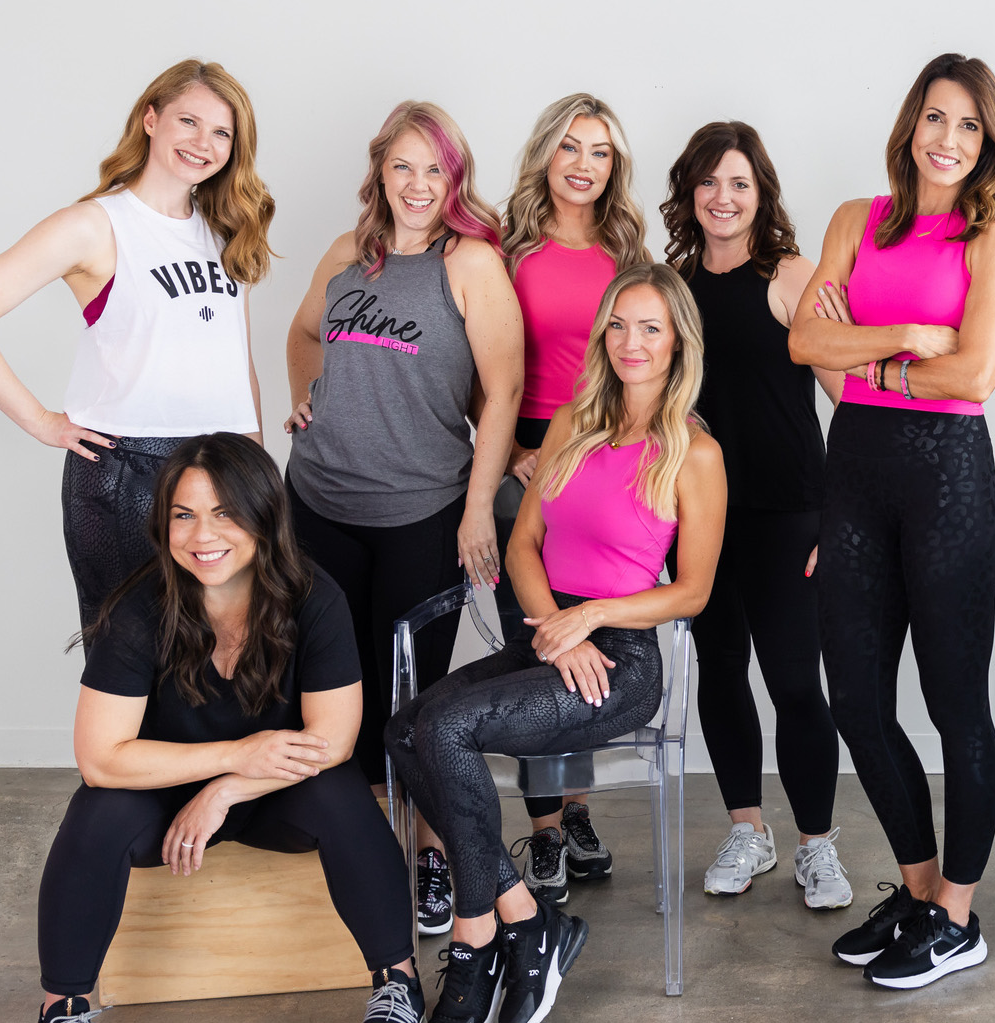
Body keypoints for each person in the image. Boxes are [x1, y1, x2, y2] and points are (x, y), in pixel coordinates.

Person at [385, 263, 724, 1023]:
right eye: (619, 324)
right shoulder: (572, 421)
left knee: (445, 725)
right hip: (550, 634)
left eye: (651, 328)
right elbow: (524, 547)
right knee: (406, 727)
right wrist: (554, 630)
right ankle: (529, 920)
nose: (631, 342)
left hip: (623, 658)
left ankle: (474, 947)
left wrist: (593, 618)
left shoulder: (695, 454)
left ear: (677, 344)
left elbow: (693, 590)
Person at [35, 434, 419, 1023]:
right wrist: (238, 754)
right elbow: (102, 758)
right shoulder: (140, 609)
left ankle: (398, 982)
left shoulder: (313, 597)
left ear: (264, 515)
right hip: (162, 802)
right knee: (98, 809)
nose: (202, 536)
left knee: (341, 791)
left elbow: (333, 740)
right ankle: (64, 1003)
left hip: (277, 792)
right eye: (182, 515)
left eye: (224, 513)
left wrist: (228, 787)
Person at [787, 53, 995, 989]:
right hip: (857, 477)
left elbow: (973, 375)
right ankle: (921, 890)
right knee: (854, 699)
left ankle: (958, 916)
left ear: (988, 140)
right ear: (910, 124)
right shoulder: (858, 219)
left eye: (969, 125)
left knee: (956, 705)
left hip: (950, 483)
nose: (949, 140)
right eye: (936, 118)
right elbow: (807, 340)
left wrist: (871, 364)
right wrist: (903, 338)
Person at [281, 100, 524, 935]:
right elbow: (302, 332)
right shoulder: (349, 255)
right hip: (316, 506)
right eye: (403, 166)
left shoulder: (472, 263)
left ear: (453, 179)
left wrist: (476, 509)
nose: (417, 185)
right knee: (326, 692)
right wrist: (301, 395)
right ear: (379, 169)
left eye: (435, 170)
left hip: (423, 512)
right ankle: (354, 852)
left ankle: (428, 853)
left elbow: (505, 393)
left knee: (409, 707)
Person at [0, 60, 274, 628]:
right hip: (130, 471)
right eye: (188, 121)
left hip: (222, 467)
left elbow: (237, 361)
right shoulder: (96, 224)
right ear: (150, 119)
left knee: (220, 656)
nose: (203, 143)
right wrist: (42, 421)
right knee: (129, 655)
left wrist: (255, 462)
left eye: (221, 132)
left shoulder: (225, 230)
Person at [661, 120, 854, 908]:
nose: (723, 197)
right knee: (720, 674)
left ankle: (816, 842)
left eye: (738, 182)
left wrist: (842, 515)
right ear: (690, 192)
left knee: (795, 683)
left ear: (760, 192)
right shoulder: (670, 284)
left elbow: (856, 399)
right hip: (699, 514)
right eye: (709, 182)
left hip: (789, 512)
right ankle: (749, 828)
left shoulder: (791, 275)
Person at [494, 92, 649, 905]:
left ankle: (578, 812)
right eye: (570, 148)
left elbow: (645, 359)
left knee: (594, 628)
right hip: (527, 455)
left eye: (599, 151)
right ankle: (545, 825)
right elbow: (478, 366)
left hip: (606, 457)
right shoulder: (506, 251)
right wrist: (516, 450)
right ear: (546, 157)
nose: (584, 165)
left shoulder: (628, 252)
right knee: (539, 640)